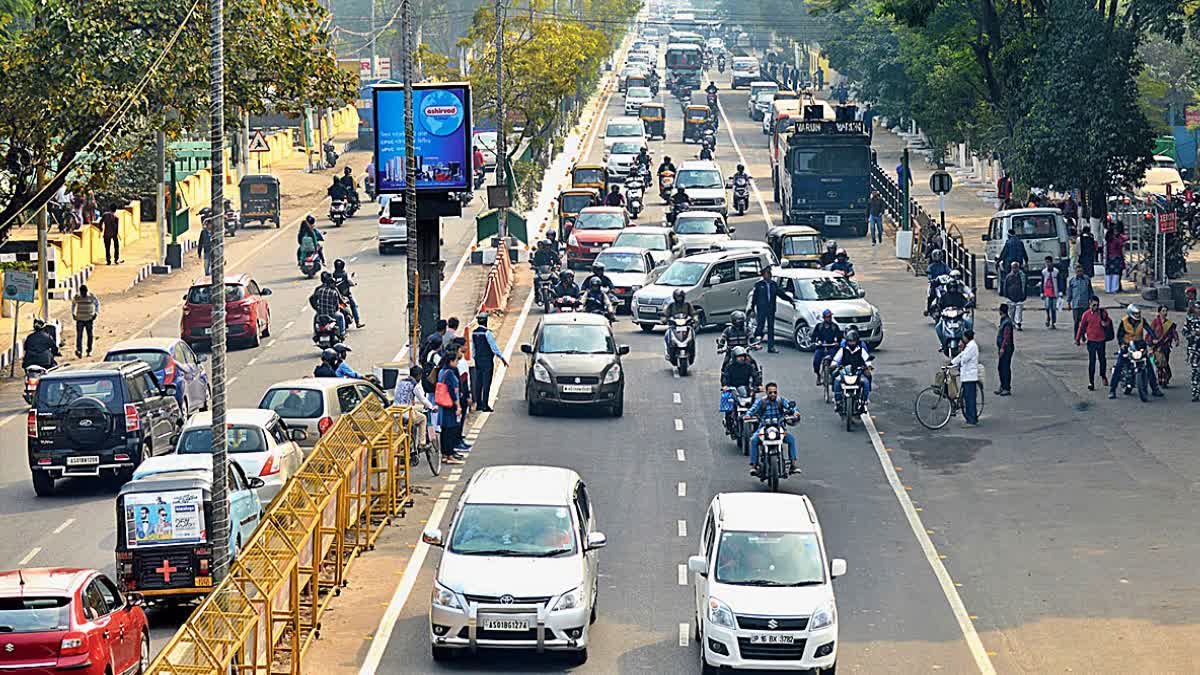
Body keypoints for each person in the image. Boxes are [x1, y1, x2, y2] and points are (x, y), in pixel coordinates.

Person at [1110, 304, 1164, 399]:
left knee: (1149, 366)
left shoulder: (1142, 321)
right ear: (1130, 313)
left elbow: (1149, 330)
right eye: (1136, 313)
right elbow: (1119, 335)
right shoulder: (1124, 321)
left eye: (1139, 313)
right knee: (1119, 366)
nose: (1138, 315)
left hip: (1139, 345)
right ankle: (1112, 390)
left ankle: (1155, 388)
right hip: (1127, 346)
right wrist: (1122, 344)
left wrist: (1154, 338)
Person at [744, 382, 799, 476]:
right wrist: (748, 415)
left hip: (779, 429)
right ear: (766, 392)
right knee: (753, 440)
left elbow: (791, 407)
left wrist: (795, 413)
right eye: (770, 392)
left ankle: (793, 465)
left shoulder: (781, 401)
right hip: (763, 428)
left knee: (791, 439)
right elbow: (752, 410)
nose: (773, 394)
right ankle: (754, 466)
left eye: (774, 392)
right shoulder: (761, 402)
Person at [471, 312, 508, 412]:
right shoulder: (487, 333)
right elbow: (494, 347)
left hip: (478, 360)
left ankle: (478, 404)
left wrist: (475, 358)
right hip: (487, 361)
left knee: (478, 382)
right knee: (486, 382)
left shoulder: (474, 333)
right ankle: (485, 405)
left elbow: (473, 348)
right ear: (486, 321)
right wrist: (502, 358)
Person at [750, 267, 792, 353]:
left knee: (771, 328)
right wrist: (752, 309)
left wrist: (790, 300)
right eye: (766, 274)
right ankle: (754, 344)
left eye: (769, 274)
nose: (768, 275)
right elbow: (754, 298)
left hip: (771, 309)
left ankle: (771, 347)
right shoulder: (759, 285)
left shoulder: (773, 284)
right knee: (760, 327)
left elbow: (780, 294)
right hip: (761, 309)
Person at [394, 365, 435, 449]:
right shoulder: (415, 385)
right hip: (406, 413)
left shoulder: (400, 381)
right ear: (419, 376)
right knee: (423, 418)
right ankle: (421, 443)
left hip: (396, 412)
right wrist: (432, 407)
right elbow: (423, 399)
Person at [1075, 296, 1112, 390]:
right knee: (1092, 362)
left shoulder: (1103, 313)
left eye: (1097, 305)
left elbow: (1108, 321)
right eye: (1094, 305)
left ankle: (1103, 376)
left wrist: (1105, 324)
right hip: (1091, 341)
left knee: (1102, 360)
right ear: (1090, 304)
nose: (1095, 307)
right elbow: (1082, 327)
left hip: (1101, 340)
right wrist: (1078, 339)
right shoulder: (1086, 315)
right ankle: (1091, 382)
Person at [831, 329, 873, 409]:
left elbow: (867, 360)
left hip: (858, 373)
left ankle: (864, 400)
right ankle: (838, 401)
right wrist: (834, 365)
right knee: (837, 381)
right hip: (845, 372)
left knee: (866, 382)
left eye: (853, 341)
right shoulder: (842, 350)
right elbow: (836, 359)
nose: (852, 343)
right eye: (850, 341)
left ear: (857, 341)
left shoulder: (861, 350)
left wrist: (868, 367)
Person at [436, 351, 466, 464]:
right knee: (451, 430)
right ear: (451, 361)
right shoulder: (449, 373)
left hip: (443, 405)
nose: (457, 363)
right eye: (456, 361)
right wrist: (458, 406)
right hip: (450, 405)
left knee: (445, 430)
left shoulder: (442, 371)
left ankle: (445, 454)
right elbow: (453, 391)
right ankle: (449, 455)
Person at [951, 328, 981, 426]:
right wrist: (952, 363)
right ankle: (971, 418)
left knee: (970, 400)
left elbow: (964, 358)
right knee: (966, 398)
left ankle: (972, 420)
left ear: (967, 337)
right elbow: (961, 356)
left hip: (970, 377)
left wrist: (961, 349)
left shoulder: (972, 346)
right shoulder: (969, 346)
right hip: (966, 376)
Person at [810, 309, 843, 384]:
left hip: (831, 347)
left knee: (834, 360)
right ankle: (818, 375)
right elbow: (813, 337)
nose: (829, 318)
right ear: (824, 318)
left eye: (830, 317)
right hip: (821, 347)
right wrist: (816, 342)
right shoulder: (819, 326)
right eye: (827, 317)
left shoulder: (835, 327)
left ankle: (831, 374)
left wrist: (837, 342)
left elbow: (839, 337)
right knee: (816, 360)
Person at [1150, 305, 1179, 387]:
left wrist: (1176, 340)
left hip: (1165, 346)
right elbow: (1150, 333)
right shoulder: (1155, 322)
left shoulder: (1169, 324)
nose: (1165, 313)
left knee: (1165, 362)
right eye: (1163, 311)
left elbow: (1174, 332)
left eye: (1166, 311)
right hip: (1157, 346)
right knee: (1159, 363)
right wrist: (1151, 341)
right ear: (1159, 312)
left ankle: (1166, 377)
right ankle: (1160, 379)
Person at [332, 259, 365, 328]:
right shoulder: (345, 274)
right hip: (346, 295)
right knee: (353, 306)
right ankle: (357, 322)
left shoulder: (333, 275)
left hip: (336, 295)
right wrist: (354, 284)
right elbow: (350, 281)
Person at [71, 285, 100, 358]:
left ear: (86, 291)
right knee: (79, 336)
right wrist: (73, 314)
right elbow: (73, 304)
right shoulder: (77, 297)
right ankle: (79, 350)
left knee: (89, 335)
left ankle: (89, 350)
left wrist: (96, 313)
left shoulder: (91, 296)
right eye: (82, 292)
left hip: (89, 319)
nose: (83, 294)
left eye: (84, 292)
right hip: (79, 319)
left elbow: (97, 304)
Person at [1066, 264, 1093, 335]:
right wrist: (1068, 303)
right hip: (1076, 305)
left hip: (1085, 304)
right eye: (1078, 271)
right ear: (1075, 272)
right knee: (1076, 322)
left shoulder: (1087, 279)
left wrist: (1092, 300)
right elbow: (1069, 292)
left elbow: (1090, 291)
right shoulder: (1072, 281)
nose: (1079, 273)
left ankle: (1084, 335)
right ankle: (1076, 336)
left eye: (1081, 271)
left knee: (1085, 322)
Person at [1183, 288, 1200, 401]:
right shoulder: (1190, 319)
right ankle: (1195, 392)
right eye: (1197, 308)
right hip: (1194, 348)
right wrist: (1192, 334)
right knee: (1195, 370)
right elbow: (1184, 332)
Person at [995, 303, 1015, 395]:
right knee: (1001, 367)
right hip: (1003, 348)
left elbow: (1006, 337)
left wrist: (1002, 348)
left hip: (1006, 349)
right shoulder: (1004, 320)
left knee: (1005, 368)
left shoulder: (1007, 322)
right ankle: (1003, 386)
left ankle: (1006, 387)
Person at [1002, 261, 1027, 330]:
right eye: (1013, 267)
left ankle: (1018, 323)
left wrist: (1024, 295)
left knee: (1019, 311)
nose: (1015, 269)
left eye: (1016, 267)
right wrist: (1006, 294)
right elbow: (1005, 286)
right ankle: (1012, 323)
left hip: (1019, 297)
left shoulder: (1022, 276)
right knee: (1011, 311)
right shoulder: (1008, 276)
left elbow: (1024, 286)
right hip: (1010, 297)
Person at [925, 250, 951, 314]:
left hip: (943, 283)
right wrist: (930, 278)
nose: (938, 258)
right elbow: (929, 273)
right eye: (936, 256)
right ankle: (927, 308)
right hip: (934, 283)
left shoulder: (944, 265)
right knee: (930, 295)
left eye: (939, 256)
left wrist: (952, 274)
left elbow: (949, 271)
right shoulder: (931, 266)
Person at [1104, 225, 1128, 294]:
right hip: (1116, 258)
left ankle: (1108, 289)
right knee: (1115, 274)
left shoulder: (1107, 240)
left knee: (1108, 274)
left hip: (1109, 258)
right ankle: (1114, 289)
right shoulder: (1116, 240)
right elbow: (1123, 243)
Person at [1040, 256, 1060, 329]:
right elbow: (1042, 282)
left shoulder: (1056, 272)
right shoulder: (1044, 272)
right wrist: (1041, 292)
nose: (1047, 264)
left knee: (1054, 308)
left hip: (1054, 292)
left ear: (1052, 263)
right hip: (1047, 292)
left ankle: (1053, 322)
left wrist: (1060, 291)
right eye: (1046, 263)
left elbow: (1059, 282)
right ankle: (1048, 317)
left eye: (1049, 262)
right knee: (1047, 306)